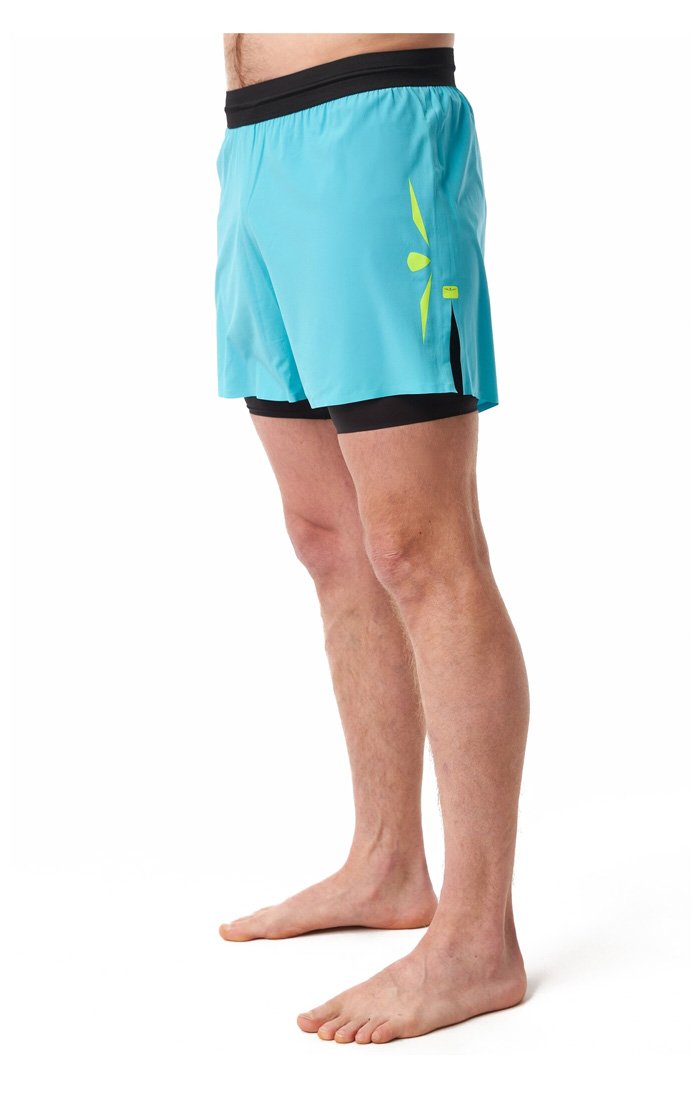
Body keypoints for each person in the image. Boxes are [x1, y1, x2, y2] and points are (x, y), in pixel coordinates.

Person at [215, 32, 530, 1045]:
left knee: (421, 550)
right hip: (253, 144)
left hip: (372, 126)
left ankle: (478, 939)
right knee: (328, 540)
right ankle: (386, 863)